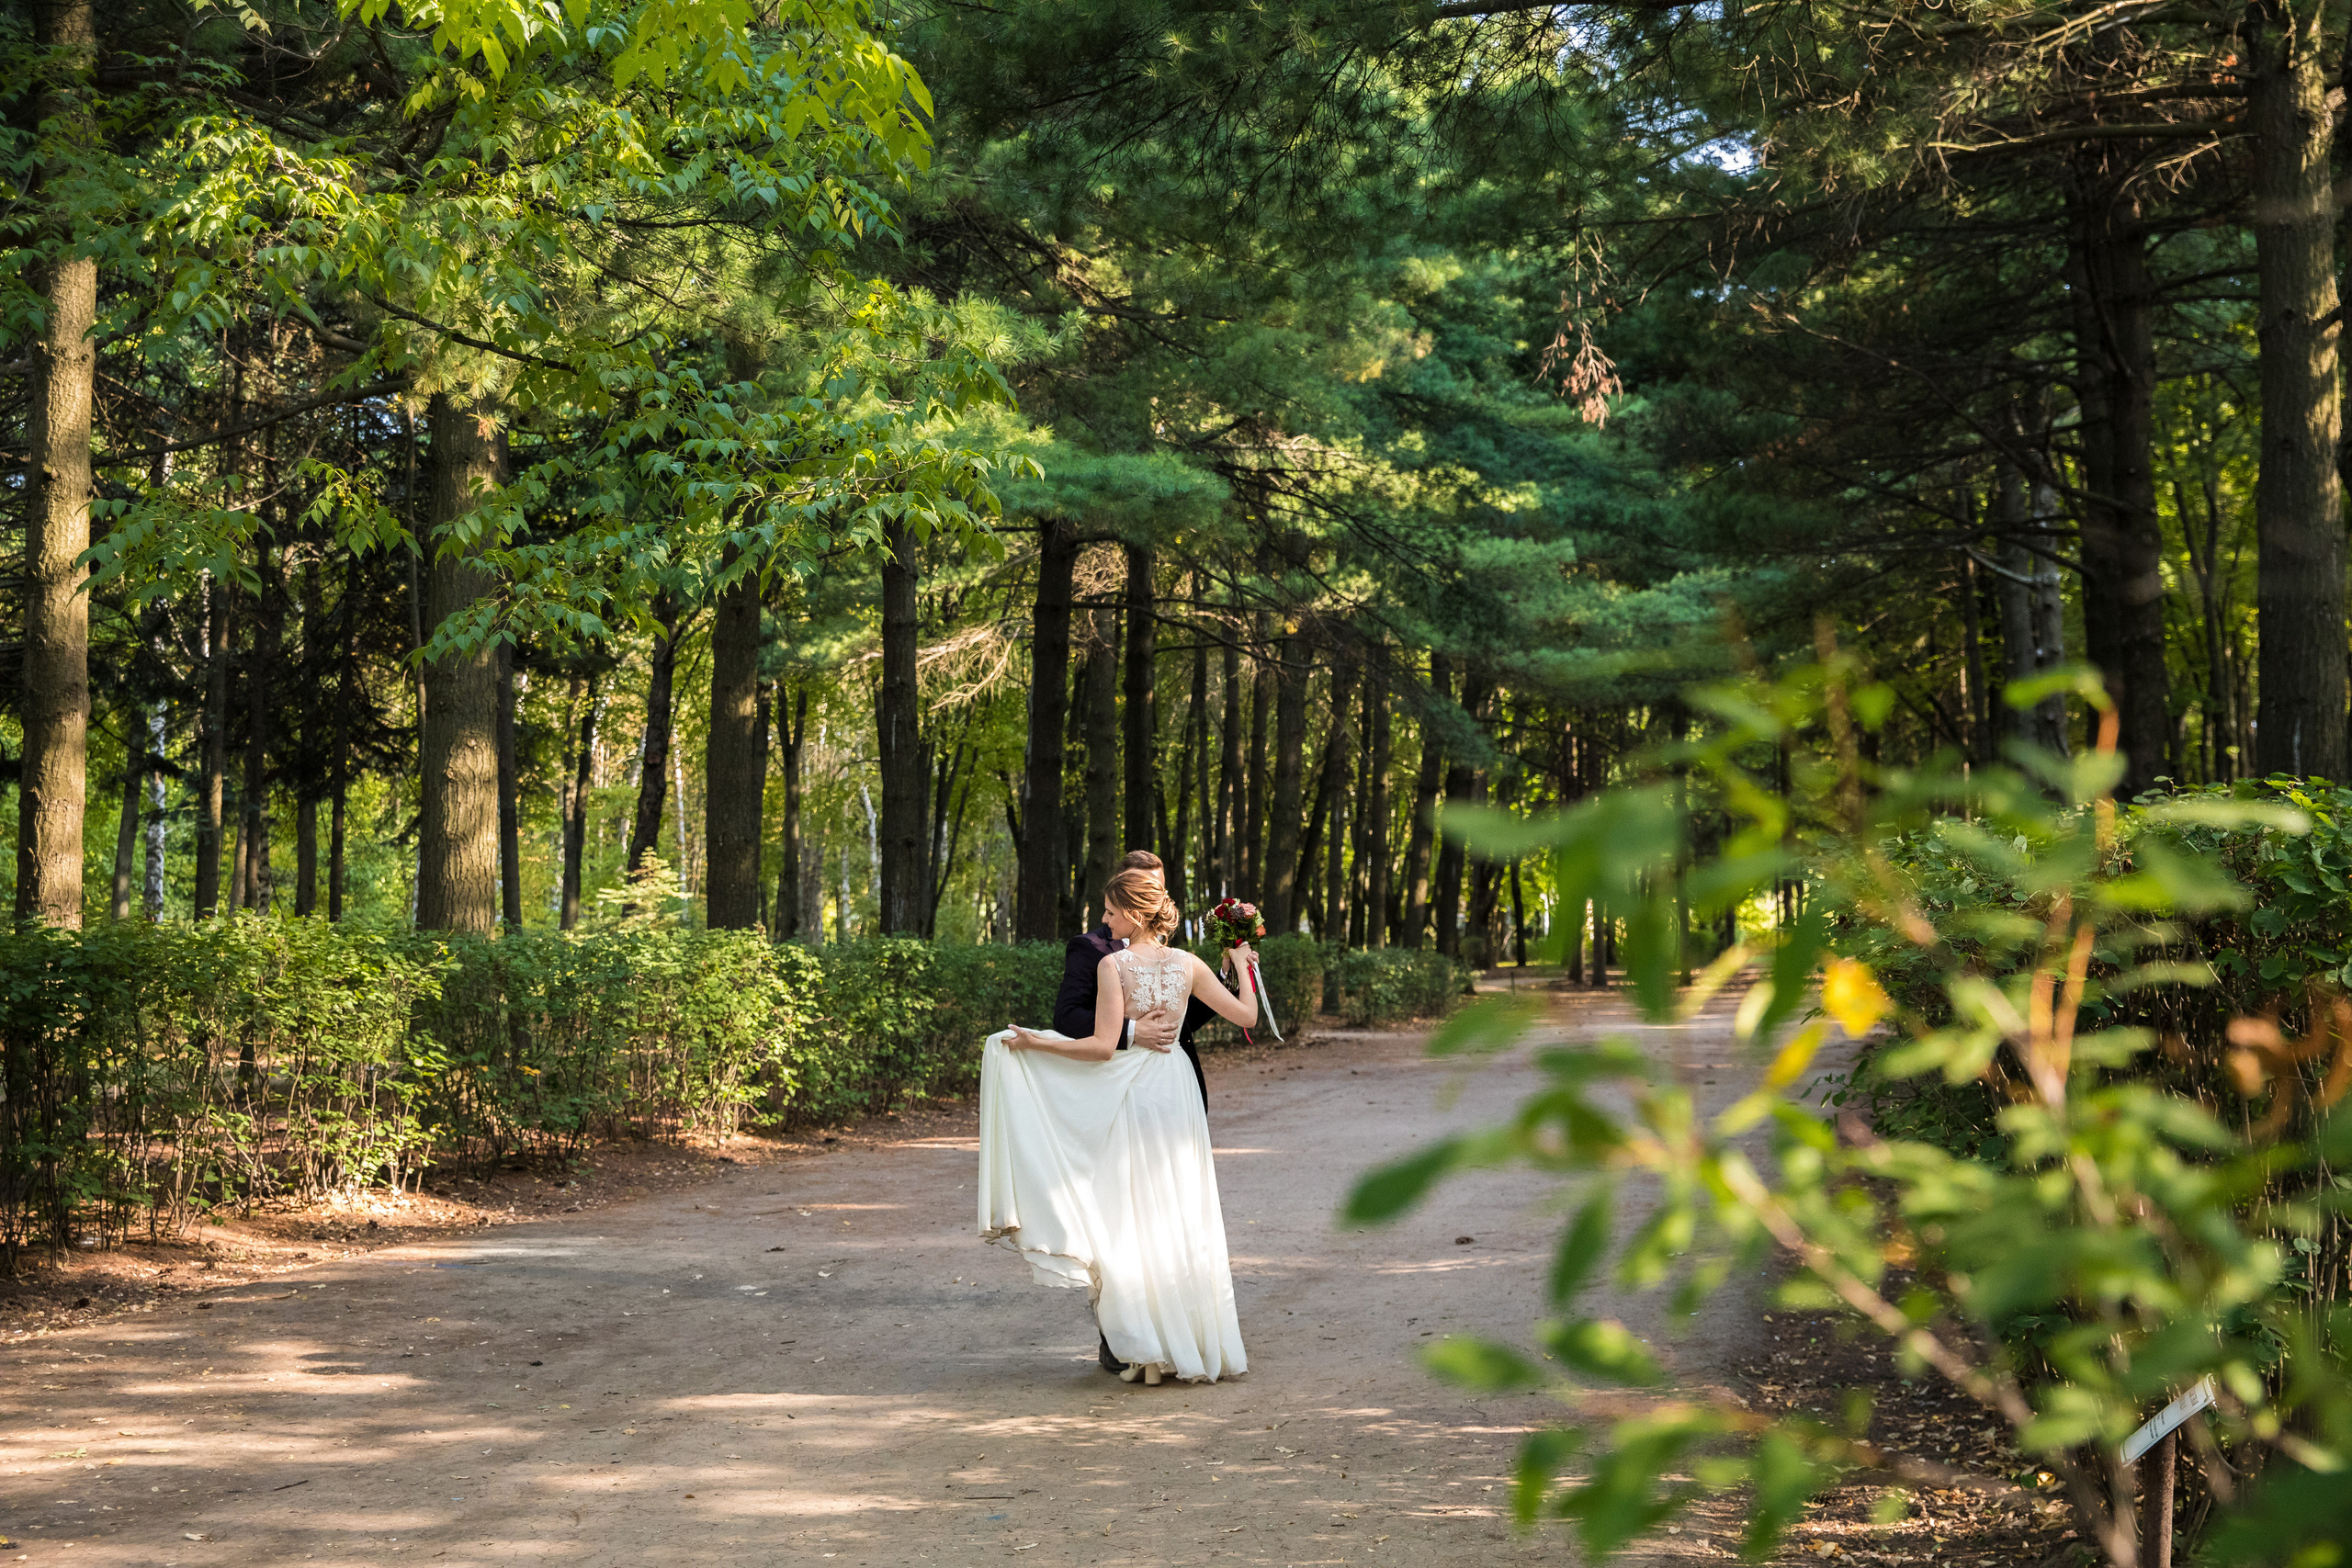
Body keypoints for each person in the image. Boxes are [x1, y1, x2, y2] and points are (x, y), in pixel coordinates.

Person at [979, 868, 1261, 1385]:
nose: (1105, 922)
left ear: (1133, 913)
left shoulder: (1114, 965)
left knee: (1135, 1214)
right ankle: (1192, 1343)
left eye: (1110, 912)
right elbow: (1247, 1017)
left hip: (1137, 1091)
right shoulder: (1189, 963)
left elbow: (1100, 1048)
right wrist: (1241, 965)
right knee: (1181, 1208)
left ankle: (1148, 1349)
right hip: (1177, 1087)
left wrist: (1035, 1043)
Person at [1052, 850, 1216, 1111]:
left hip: (1175, 1083)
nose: (1151, 895)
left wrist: (1229, 979)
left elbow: (1183, 1022)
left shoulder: (1171, 953)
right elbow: (1066, 1016)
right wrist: (1131, 1031)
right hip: (1118, 1087)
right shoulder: (1089, 948)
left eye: (1157, 889)